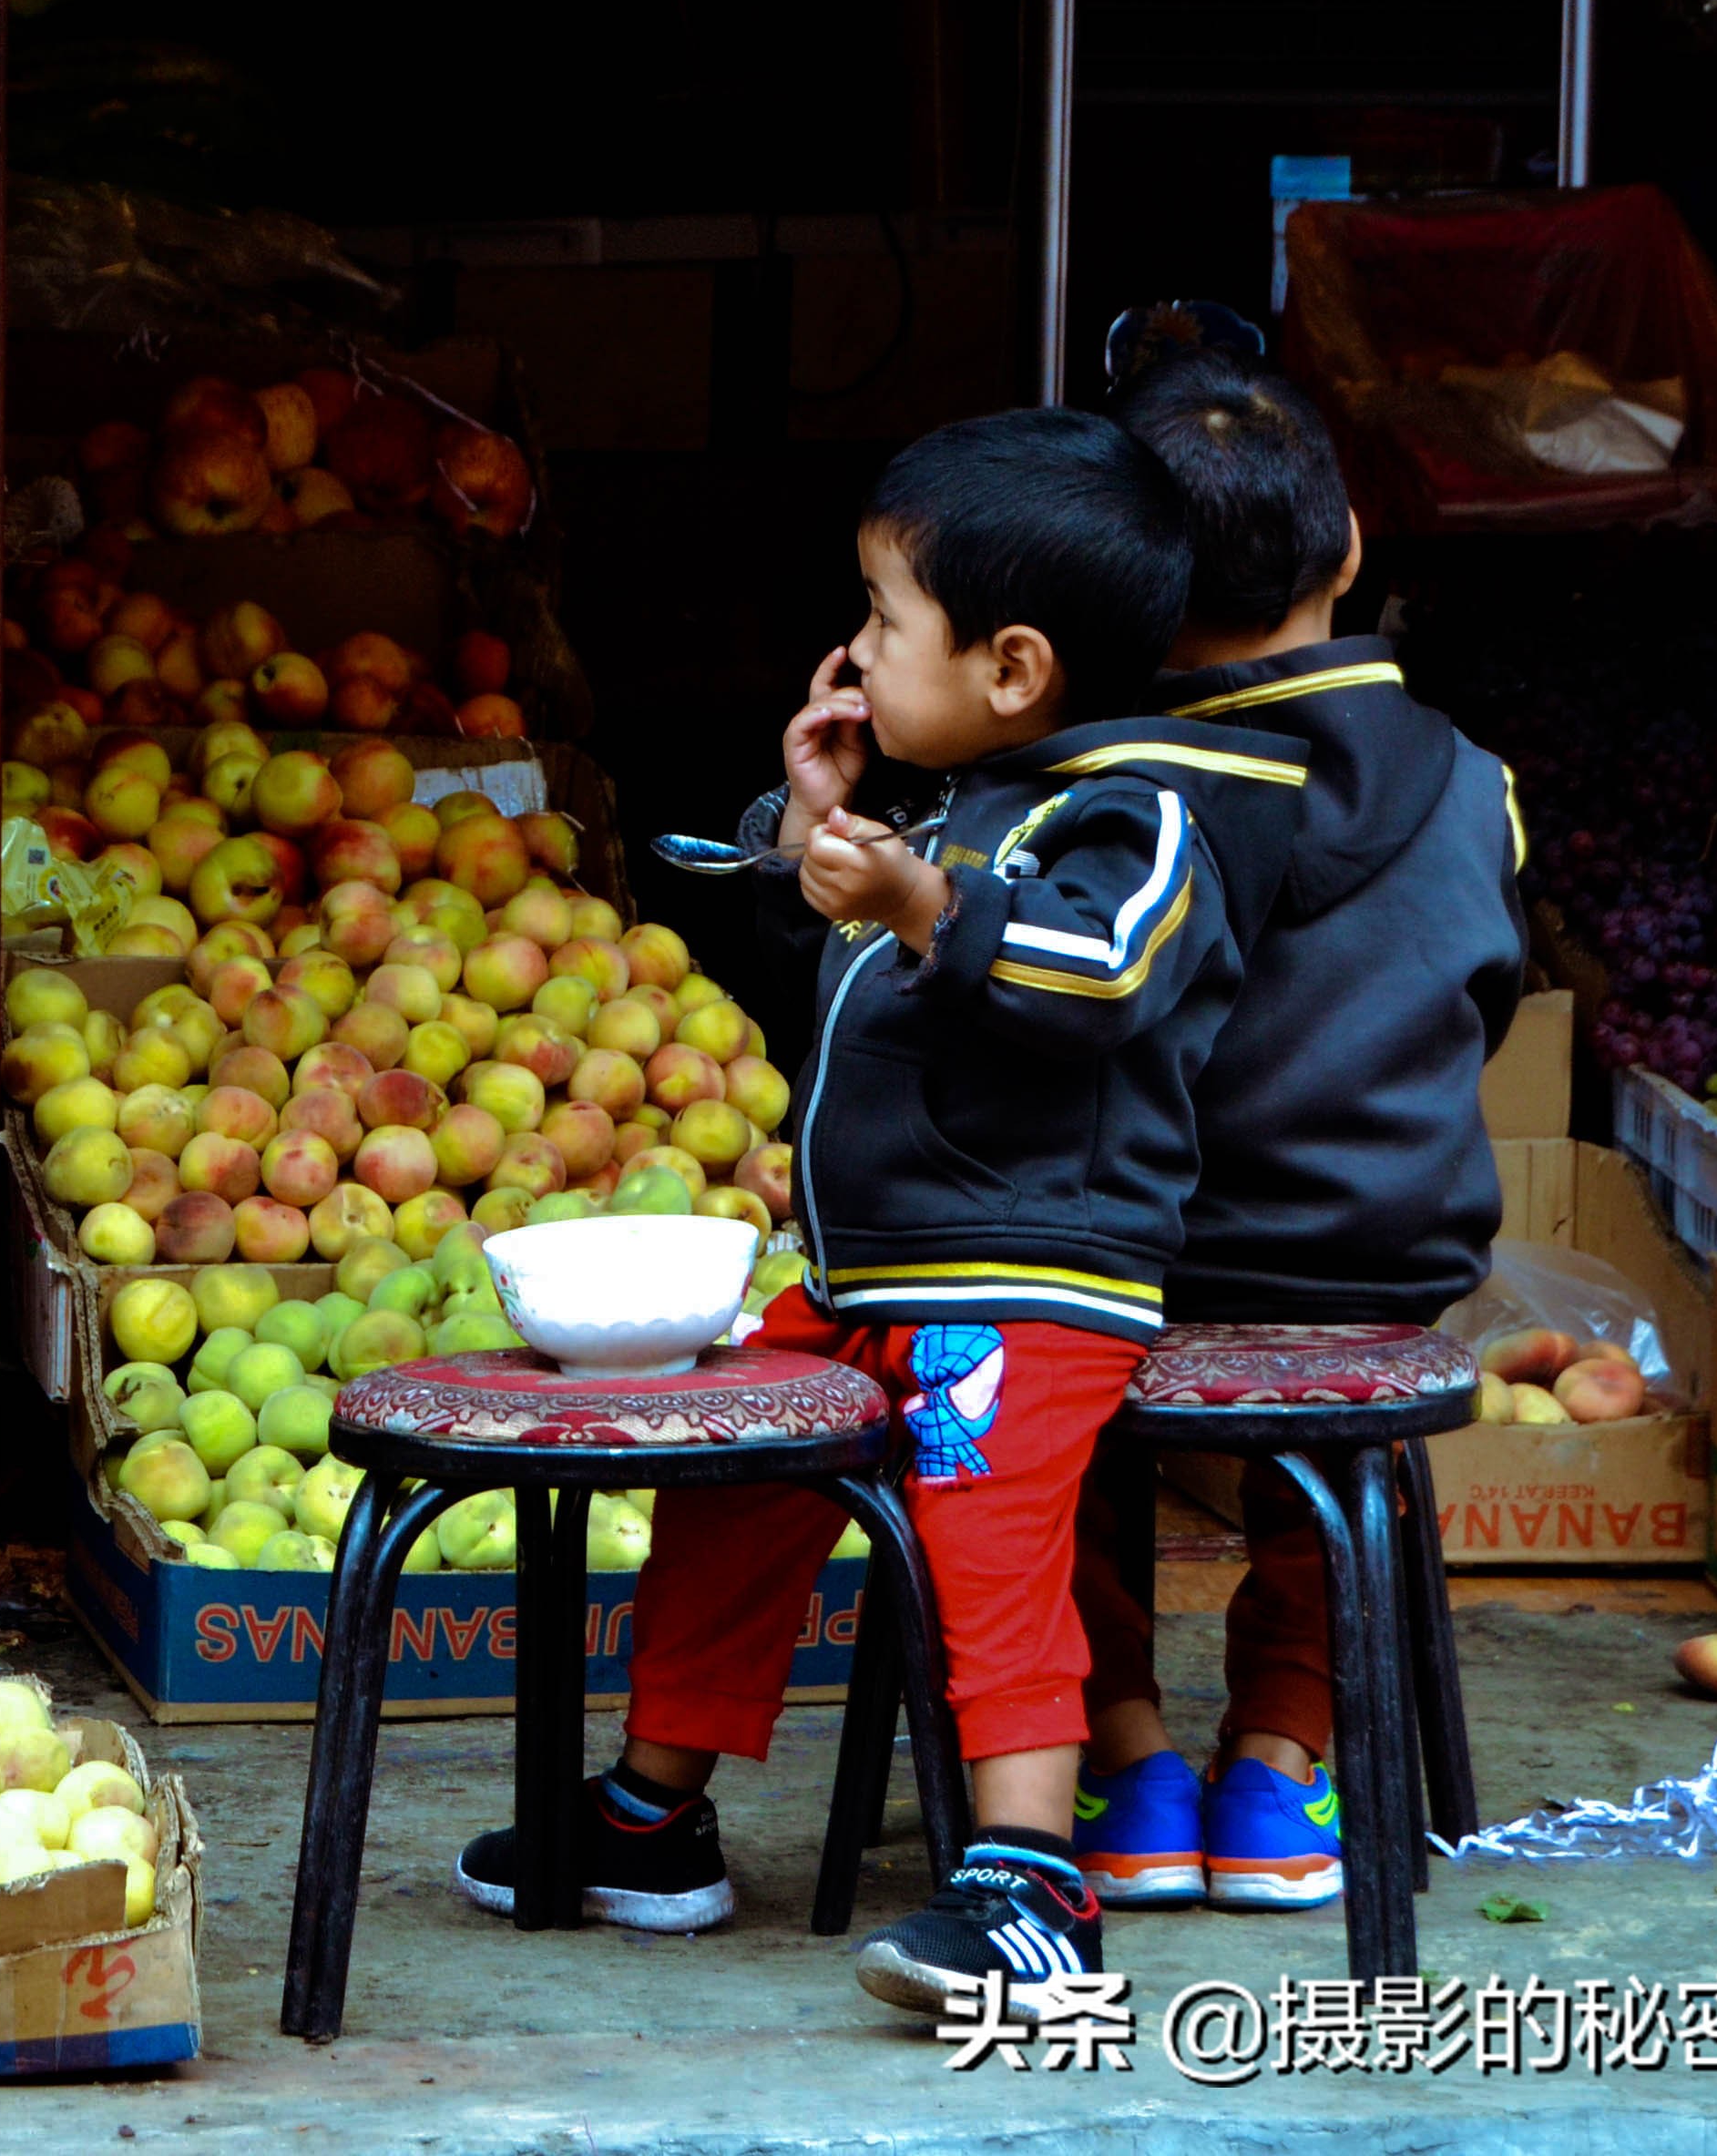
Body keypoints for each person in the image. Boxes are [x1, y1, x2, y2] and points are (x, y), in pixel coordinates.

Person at [455, 408, 1305, 2019]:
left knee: (986, 1529)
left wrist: (922, 895)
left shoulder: (1135, 816)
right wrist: (808, 841)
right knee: (724, 1465)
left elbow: (1103, 973)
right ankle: (652, 1813)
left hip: (1030, 1279)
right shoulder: (955, 808)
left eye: (882, 619)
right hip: (871, 1275)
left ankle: (1031, 1882)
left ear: (1013, 667)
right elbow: (844, 1001)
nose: (849, 650)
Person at [1066, 358, 1528, 1912]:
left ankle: (1122, 1758)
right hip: (1378, 1264)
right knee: (1339, 1457)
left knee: (1034, 1401)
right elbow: (1486, 1001)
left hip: (1140, 1266)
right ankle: (1276, 1767)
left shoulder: (1104, 788)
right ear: (1346, 550)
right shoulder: (1477, 787)